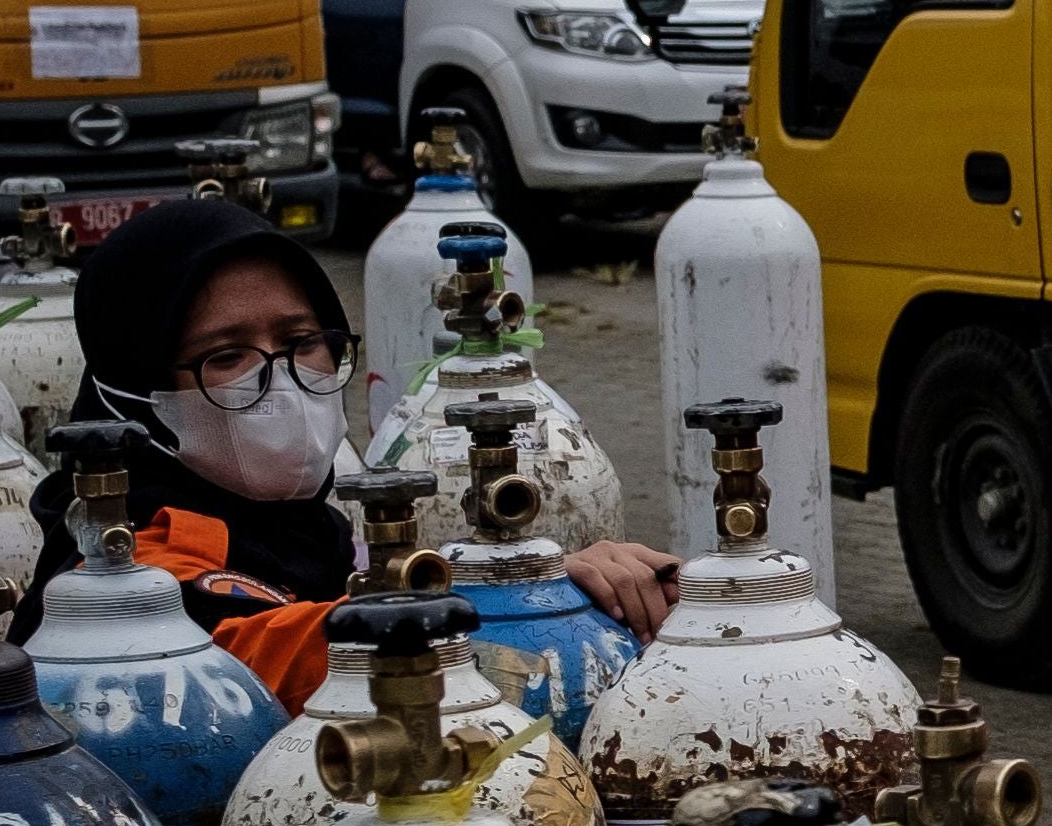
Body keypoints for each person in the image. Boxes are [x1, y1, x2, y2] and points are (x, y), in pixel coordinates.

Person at [61, 192, 673, 699]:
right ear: (132, 393)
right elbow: (253, 656)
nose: (281, 379)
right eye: (226, 357)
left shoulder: (317, 538)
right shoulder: (118, 567)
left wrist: (563, 583)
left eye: (302, 340)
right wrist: (510, 600)